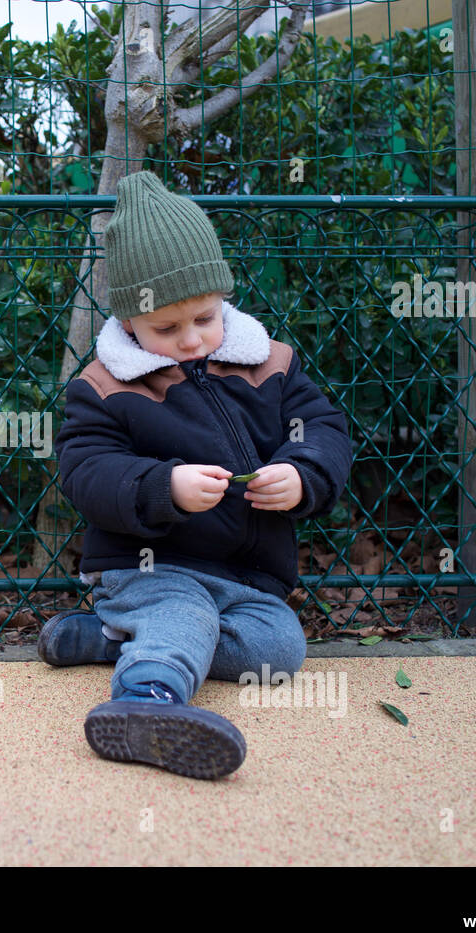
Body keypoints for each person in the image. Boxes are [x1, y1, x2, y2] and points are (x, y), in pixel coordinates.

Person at [45, 169, 353, 780]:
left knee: (280, 649)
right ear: (130, 324)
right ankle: (144, 701)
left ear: (223, 301)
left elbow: (325, 428)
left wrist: (303, 473)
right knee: (182, 614)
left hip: (247, 580)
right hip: (150, 568)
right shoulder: (105, 387)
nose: (190, 340)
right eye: (166, 328)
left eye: (205, 319)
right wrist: (165, 488)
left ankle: (107, 640)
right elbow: (86, 471)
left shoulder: (270, 363)